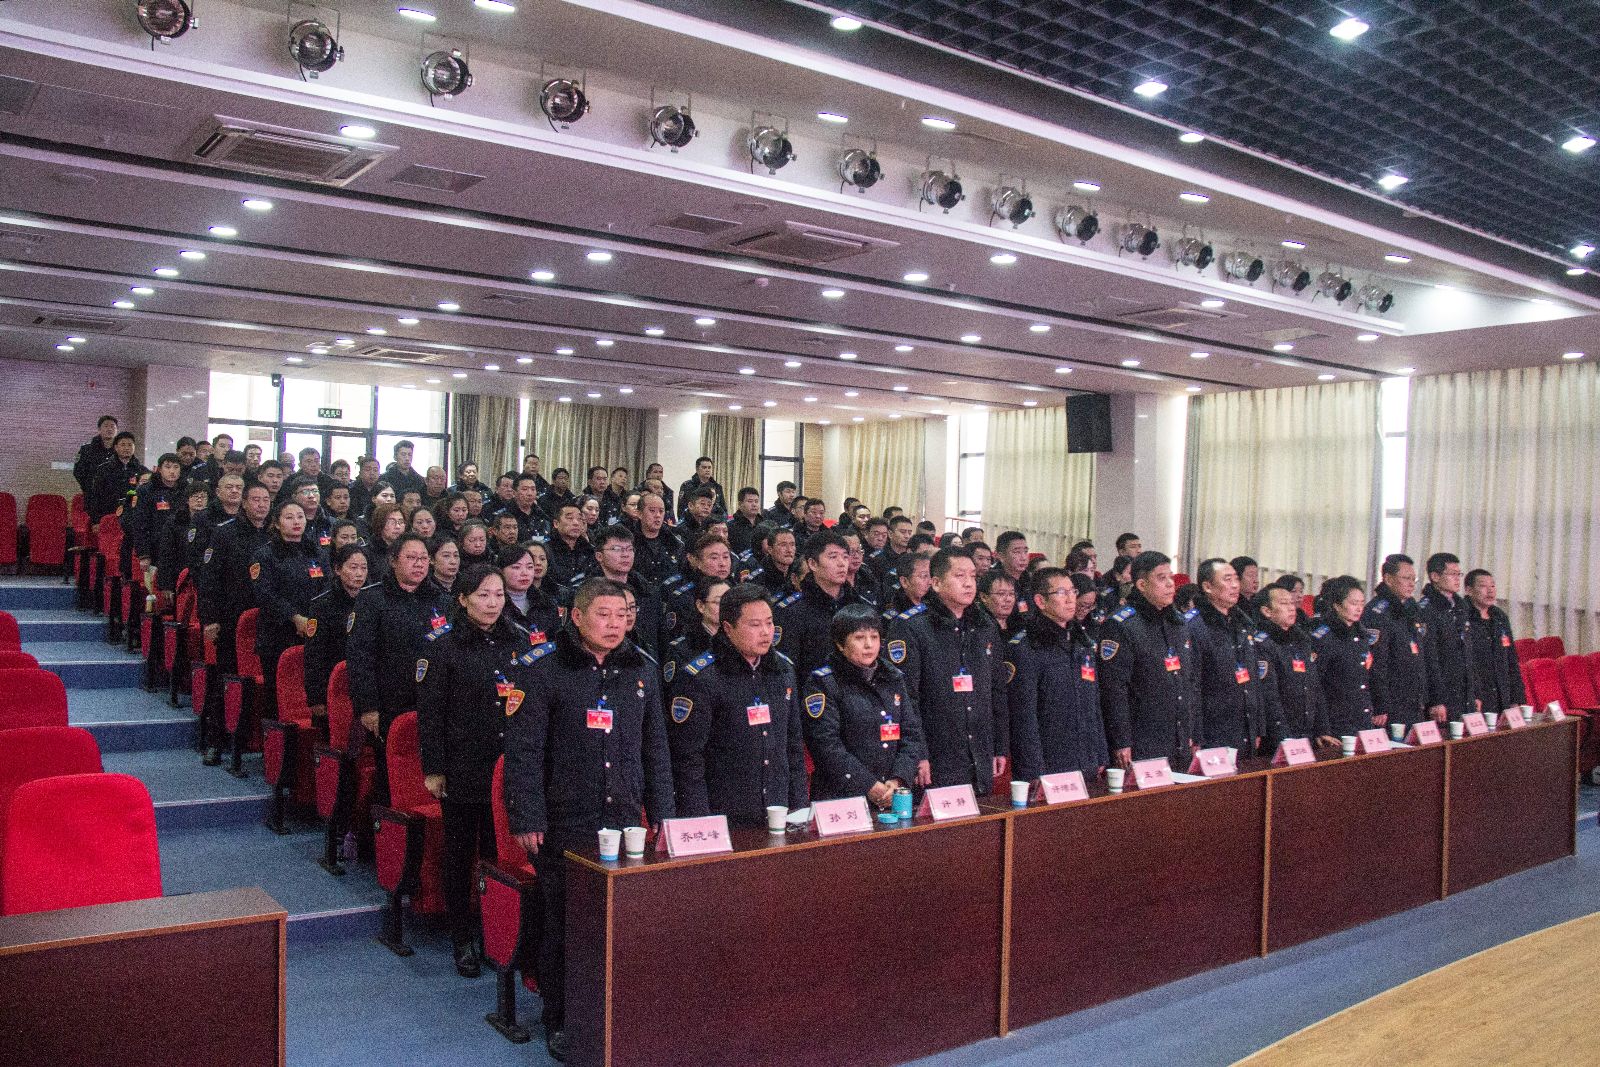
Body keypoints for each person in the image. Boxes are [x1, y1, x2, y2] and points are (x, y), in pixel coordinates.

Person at [504, 578, 674, 1062]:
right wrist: (528, 817)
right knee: (565, 922)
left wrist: (663, 813)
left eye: (622, 615)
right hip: (564, 820)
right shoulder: (541, 669)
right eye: (604, 614)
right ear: (576, 617)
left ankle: (615, 1010)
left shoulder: (641, 668)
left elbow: (656, 749)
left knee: (621, 919)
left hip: (624, 816)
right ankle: (560, 1017)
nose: (615, 624)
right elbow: (523, 752)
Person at [417, 563, 526, 978]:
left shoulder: (519, 641)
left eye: (498, 595)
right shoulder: (443, 647)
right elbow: (431, 714)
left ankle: (496, 933)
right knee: (461, 854)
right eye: (483, 595)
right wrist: (434, 768)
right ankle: (462, 936)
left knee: (500, 855)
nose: (493, 603)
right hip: (462, 766)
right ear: (462, 599)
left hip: (507, 766)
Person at [666, 582, 807, 825]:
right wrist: (702, 821)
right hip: (724, 812)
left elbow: (793, 745)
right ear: (728, 628)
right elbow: (688, 759)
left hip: (778, 807)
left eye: (769, 623)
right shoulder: (701, 677)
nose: (766, 632)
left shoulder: (783, 670)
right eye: (755, 625)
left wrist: (800, 809)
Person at [887, 547, 1008, 792]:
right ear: (936, 583)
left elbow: (997, 690)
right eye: (959, 576)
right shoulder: (911, 627)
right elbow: (906, 698)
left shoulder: (985, 625)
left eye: (973, 576)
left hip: (980, 751)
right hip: (936, 752)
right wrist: (918, 754)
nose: (969, 583)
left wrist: (1000, 746)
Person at [346, 533, 451, 804]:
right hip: (389, 703)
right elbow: (360, 657)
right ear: (393, 561)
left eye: (424, 558)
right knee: (390, 779)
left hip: (433, 703)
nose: (419, 564)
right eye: (411, 558)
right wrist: (368, 706)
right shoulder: (372, 599)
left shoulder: (441, 600)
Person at [803, 603, 928, 805]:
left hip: (892, 793)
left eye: (874, 637)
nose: (869, 645)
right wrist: (868, 785)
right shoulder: (823, 683)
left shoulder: (893, 677)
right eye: (859, 638)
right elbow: (826, 745)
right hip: (843, 796)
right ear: (840, 644)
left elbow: (911, 735)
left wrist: (898, 779)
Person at [1098, 551, 1199, 771]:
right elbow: (1114, 689)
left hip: (1178, 735)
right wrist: (1121, 741)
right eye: (1162, 578)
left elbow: (1189, 681)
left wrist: (1192, 731)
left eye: (1171, 577)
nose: (1170, 584)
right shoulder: (1121, 625)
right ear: (1142, 585)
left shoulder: (1178, 622)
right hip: (1142, 736)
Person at [1006, 568, 1107, 781]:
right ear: (1040, 601)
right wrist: (1033, 770)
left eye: (1073, 591)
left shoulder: (1082, 641)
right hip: (1049, 761)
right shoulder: (1026, 647)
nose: (1071, 599)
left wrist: (1100, 753)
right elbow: (1024, 717)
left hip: (1086, 757)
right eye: (1061, 593)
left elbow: (1094, 702)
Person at [197, 482, 271, 768]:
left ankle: (262, 744)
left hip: (266, 621)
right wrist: (210, 619)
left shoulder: (274, 534)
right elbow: (209, 580)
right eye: (256, 499)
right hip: (230, 619)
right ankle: (215, 742)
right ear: (244, 503)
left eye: (266, 500)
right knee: (225, 683)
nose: (261, 505)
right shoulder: (224, 533)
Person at [1189, 558, 1281, 756]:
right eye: (1227, 579)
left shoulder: (1242, 622)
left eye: (1236, 579)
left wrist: (1258, 726)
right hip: (1213, 729)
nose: (1234, 585)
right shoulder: (1194, 626)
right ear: (1207, 586)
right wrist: (1195, 733)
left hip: (1245, 726)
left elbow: (1254, 678)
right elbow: (1192, 685)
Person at [251, 500, 326, 721]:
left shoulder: (316, 552)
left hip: (314, 631)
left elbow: (326, 588)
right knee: (277, 697)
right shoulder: (265, 555)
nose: (296, 522)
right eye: (289, 517)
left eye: (300, 517)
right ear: (277, 523)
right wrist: (295, 617)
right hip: (278, 634)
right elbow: (265, 594)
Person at [1257, 585, 1338, 750]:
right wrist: (1284, 738)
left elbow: (1314, 685)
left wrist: (1322, 728)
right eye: (1284, 604)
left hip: (1306, 731)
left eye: (1292, 603)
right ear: (1267, 611)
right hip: (1279, 736)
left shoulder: (1301, 640)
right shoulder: (1263, 644)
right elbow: (1269, 697)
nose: (1291, 608)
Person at [1364, 553, 1439, 730]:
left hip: (1415, 700)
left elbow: (1422, 655)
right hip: (1392, 703)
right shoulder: (1377, 613)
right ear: (1388, 579)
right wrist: (1380, 704)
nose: (1411, 584)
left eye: (1414, 579)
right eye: (1406, 578)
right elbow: (1376, 664)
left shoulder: (1412, 608)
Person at [773, 530, 859, 682]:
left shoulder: (858, 606)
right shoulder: (792, 612)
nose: (842, 563)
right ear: (813, 563)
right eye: (833, 557)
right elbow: (785, 670)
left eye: (845, 557)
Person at [303, 544, 369, 713]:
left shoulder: (372, 602)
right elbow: (314, 654)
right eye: (353, 567)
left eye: (363, 568)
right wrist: (316, 697)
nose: (359, 573)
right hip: (333, 683)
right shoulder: (322, 605)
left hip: (364, 685)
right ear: (338, 569)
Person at [1310, 576, 1378, 736]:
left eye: (1362, 603)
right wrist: (1322, 727)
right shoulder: (1324, 637)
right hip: (1336, 719)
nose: (1359, 608)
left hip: (1361, 715)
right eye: (1353, 603)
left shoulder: (1361, 634)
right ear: (1337, 605)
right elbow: (1316, 684)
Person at [1418, 552, 1479, 722]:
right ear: (1435, 576)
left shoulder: (1461, 606)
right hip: (1443, 693)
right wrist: (1436, 700)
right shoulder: (1426, 609)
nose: (1457, 579)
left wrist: (1475, 692)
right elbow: (1429, 658)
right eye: (1452, 574)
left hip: (1464, 692)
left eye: (1459, 574)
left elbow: (1468, 653)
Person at [1464, 569, 1525, 715]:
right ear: (1469, 590)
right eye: (1483, 586)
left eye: (1492, 586)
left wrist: (1516, 699)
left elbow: (1511, 659)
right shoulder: (1462, 616)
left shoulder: (1499, 616)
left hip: (1501, 695)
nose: (1490, 591)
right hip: (1477, 697)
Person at [662, 533, 734, 642]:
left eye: (726, 557)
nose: (722, 563)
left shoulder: (737, 590)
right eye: (714, 558)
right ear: (698, 562)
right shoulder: (684, 597)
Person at [662, 577, 729, 684]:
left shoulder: (741, 642)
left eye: (730, 602)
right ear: (701, 606)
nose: (725, 607)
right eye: (718, 602)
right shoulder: (681, 649)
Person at [499, 542, 561, 642]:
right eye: (517, 567)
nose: (525, 573)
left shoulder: (546, 603)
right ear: (501, 571)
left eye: (529, 567)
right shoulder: (496, 606)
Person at [88, 431, 145, 523]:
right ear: (116, 447)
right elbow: (95, 497)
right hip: (108, 516)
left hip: (133, 519)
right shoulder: (103, 470)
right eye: (123, 445)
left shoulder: (142, 471)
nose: (127, 448)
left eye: (130, 445)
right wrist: (96, 521)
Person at [632, 492, 683, 587]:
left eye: (661, 511)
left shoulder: (674, 542)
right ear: (639, 513)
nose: (658, 515)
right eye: (652, 511)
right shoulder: (629, 541)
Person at [74, 415, 119, 497]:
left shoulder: (121, 451)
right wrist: (89, 488)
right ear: (99, 429)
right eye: (106, 426)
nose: (109, 429)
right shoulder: (86, 450)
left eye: (112, 426)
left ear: (117, 430)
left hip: (116, 496)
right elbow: (78, 472)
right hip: (93, 496)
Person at [882, 552, 931, 621]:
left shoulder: (938, 605)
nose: (930, 582)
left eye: (932, 575)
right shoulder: (895, 618)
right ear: (904, 581)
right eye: (924, 576)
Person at [677, 456, 726, 521]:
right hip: (692, 522)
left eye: (709, 467)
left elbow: (723, 510)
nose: (707, 470)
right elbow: (681, 509)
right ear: (697, 469)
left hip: (712, 522)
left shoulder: (717, 487)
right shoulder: (687, 486)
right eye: (704, 467)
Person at [977, 569, 1020, 639]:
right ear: (984, 597)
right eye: (1001, 594)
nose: (1008, 599)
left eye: (1011, 594)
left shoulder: (1019, 624)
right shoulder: (978, 628)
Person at [727, 487, 763, 556]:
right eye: (750, 501)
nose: (754, 504)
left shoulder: (764, 524)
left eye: (756, 501)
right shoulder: (730, 526)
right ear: (740, 504)